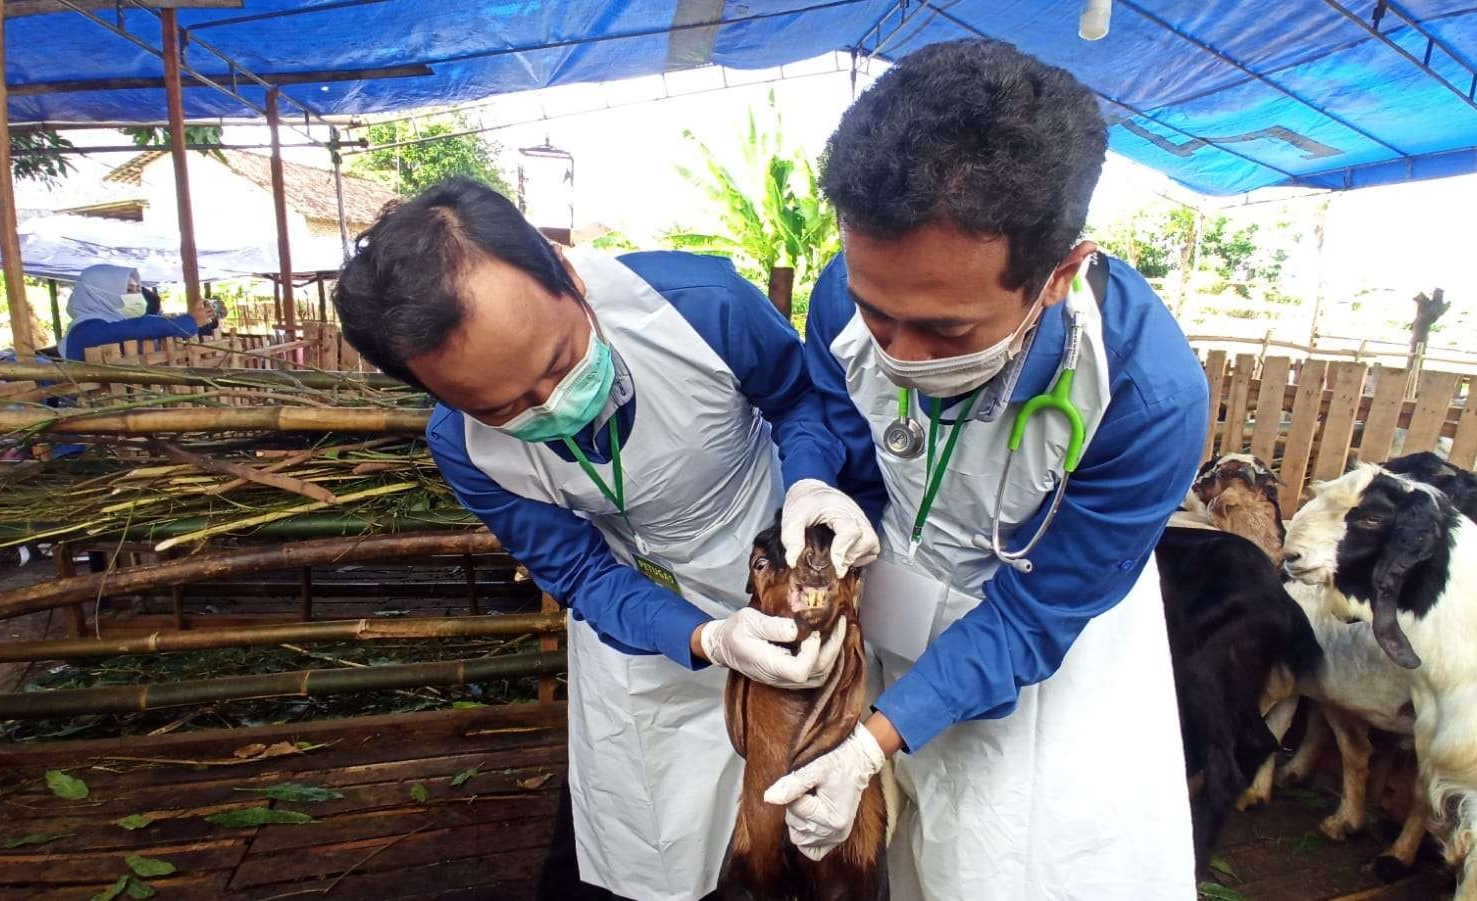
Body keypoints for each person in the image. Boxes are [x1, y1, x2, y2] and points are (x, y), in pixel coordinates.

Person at [330, 177, 879, 901]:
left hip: (777, 582)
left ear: (568, 274)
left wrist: (810, 481)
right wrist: (706, 639)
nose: (550, 403)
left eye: (559, 360)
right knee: (652, 846)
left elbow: (798, 397)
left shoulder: (696, 306)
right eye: (505, 405)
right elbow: (583, 574)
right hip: (643, 625)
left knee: (809, 839)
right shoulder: (465, 448)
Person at [766, 40, 1209, 899]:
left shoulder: (1145, 399)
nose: (896, 352)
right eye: (875, 312)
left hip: (1043, 654)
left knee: (1010, 861)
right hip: (899, 621)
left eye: (947, 332)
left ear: (1058, 275)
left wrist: (871, 744)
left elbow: (1035, 616)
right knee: (908, 860)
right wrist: (815, 479)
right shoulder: (844, 292)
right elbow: (828, 404)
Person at [60, 265, 218, 361]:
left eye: (137, 290)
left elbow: (158, 335)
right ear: (101, 294)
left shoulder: (117, 321)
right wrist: (187, 322)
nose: (136, 296)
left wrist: (202, 324)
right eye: (129, 290)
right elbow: (135, 329)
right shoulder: (85, 329)